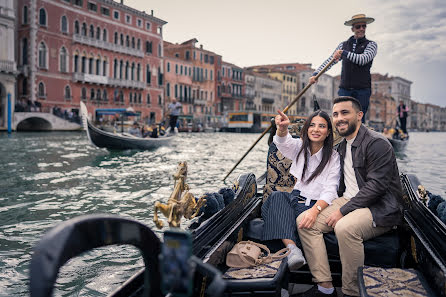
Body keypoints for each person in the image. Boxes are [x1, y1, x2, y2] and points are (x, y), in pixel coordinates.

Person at [297, 96, 403, 297]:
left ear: (359, 115)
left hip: (380, 207)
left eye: (345, 113)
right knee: (304, 221)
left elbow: (377, 187)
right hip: (350, 201)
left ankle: (351, 292)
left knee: (344, 227)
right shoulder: (343, 146)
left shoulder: (377, 143)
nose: (339, 119)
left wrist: (342, 212)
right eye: (335, 114)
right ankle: (325, 286)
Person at [261, 110, 340, 271]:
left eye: (321, 126)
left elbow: (331, 190)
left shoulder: (333, 157)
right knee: (275, 198)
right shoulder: (299, 147)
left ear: (328, 132)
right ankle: (292, 250)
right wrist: (282, 129)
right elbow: (283, 142)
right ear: (306, 129)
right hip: (295, 199)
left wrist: (314, 211)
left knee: (275, 213)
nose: (316, 129)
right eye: (312, 125)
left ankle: (288, 251)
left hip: (316, 205)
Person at [309, 14, 377, 123]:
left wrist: (343, 53)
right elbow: (330, 61)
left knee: (359, 119)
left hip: (362, 90)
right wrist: (316, 74)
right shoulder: (343, 45)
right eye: (358, 27)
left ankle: (359, 139)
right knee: (342, 117)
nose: (361, 29)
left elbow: (363, 59)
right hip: (345, 89)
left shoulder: (371, 45)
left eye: (364, 26)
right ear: (353, 29)